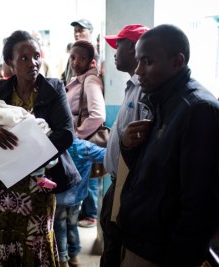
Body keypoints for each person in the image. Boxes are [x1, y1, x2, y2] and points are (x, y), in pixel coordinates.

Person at [0, 30, 80, 266]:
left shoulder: (53, 88)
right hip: (1, 187)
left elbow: (66, 134)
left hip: (37, 188)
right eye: (24, 58)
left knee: (34, 242)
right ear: (10, 63)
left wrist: (28, 158)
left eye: (36, 55)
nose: (33, 62)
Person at [119, 24, 219, 266]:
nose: (139, 70)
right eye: (138, 61)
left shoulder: (197, 109)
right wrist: (128, 146)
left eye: (147, 61)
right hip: (140, 240)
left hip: (160, 253)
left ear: (177, 61)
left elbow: (199, 204)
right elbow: (153, 174)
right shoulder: (162, 100)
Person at [99, 24, 149, 267]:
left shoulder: (145, 90)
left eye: (118, 46)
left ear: (133, 47)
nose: (114, 53)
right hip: (117, 181)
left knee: (113, 247)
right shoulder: (132, 86)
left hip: (126, 185)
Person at [65, 39, 105, 228]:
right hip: (76, 138)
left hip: (82, 140)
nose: (75, 62)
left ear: (91, 61)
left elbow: (98, 115)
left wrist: (77, 136)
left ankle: (89, 215)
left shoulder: (90, 80)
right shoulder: (78, 78)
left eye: (81, 58)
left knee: (86, 182)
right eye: (73, 57)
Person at [54, 136, 105, 267]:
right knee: (72, 226)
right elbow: (106, 155)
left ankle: (62, 260)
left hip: (57, 198)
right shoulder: (85, 147)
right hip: (76, 198)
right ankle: (74, 257)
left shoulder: (52, 142)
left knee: (59, 228)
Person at [62, 19, 94, 85]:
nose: (76, 34)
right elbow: (66, 75)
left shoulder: (93, 53)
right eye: (75, 31)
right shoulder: (73, 52)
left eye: (81, 31)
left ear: (90, 32)